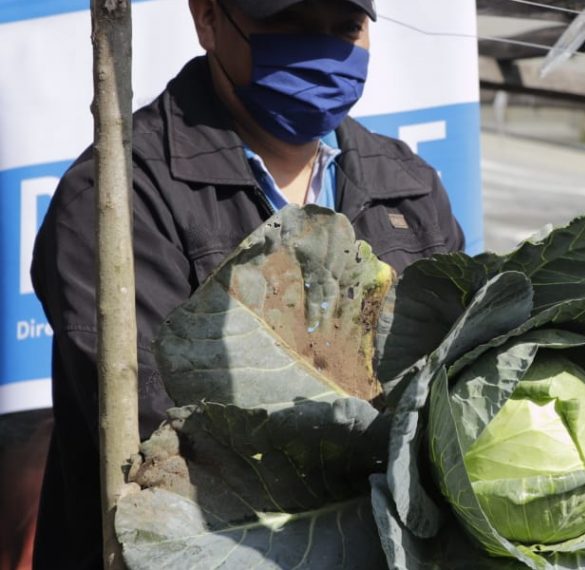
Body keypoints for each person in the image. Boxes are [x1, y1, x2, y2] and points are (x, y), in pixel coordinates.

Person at [30, 0, 464, 567]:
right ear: (207, 17)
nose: (319, 49)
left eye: (345, 28)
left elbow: (460, 383)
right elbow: (172, 449)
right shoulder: (119, 202)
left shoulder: (409, 185)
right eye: (287, 23)